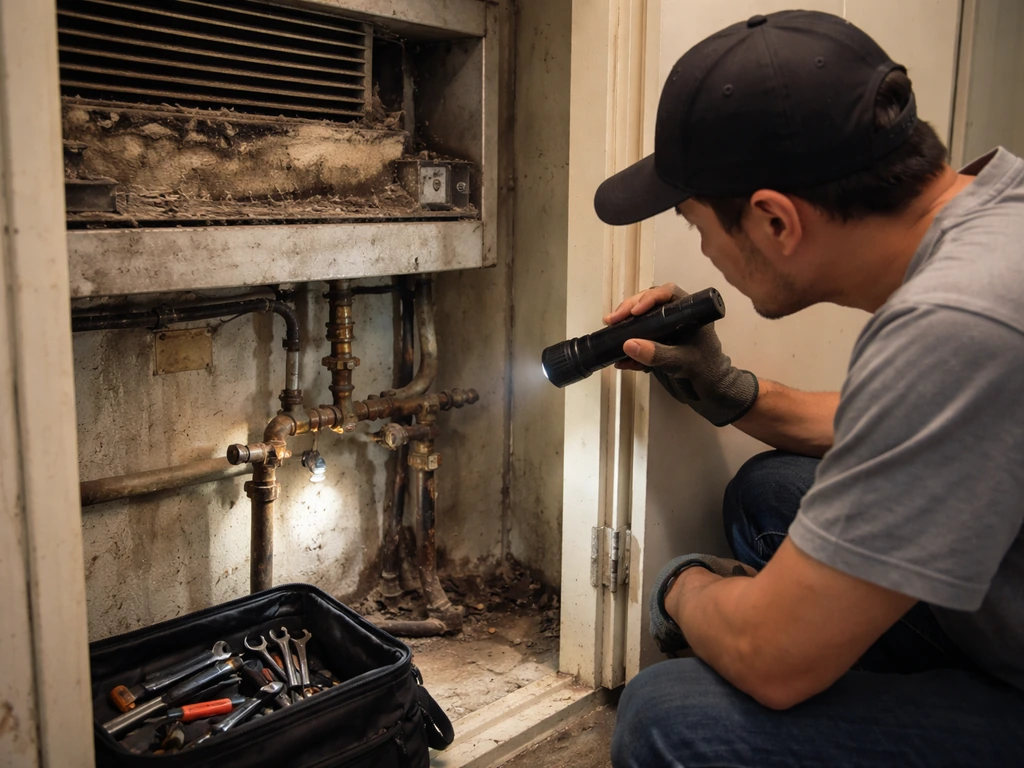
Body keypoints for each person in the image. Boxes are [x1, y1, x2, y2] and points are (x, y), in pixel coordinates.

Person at [595, 10, 1024, 767]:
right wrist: (730, 390)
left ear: (775, 221)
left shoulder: (957, 323)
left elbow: (769, 660)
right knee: (770, 493)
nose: (704, 250)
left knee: (668, 716)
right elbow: (919, 428)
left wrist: (680, 590)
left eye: (695, 225)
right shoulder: (997, 216)